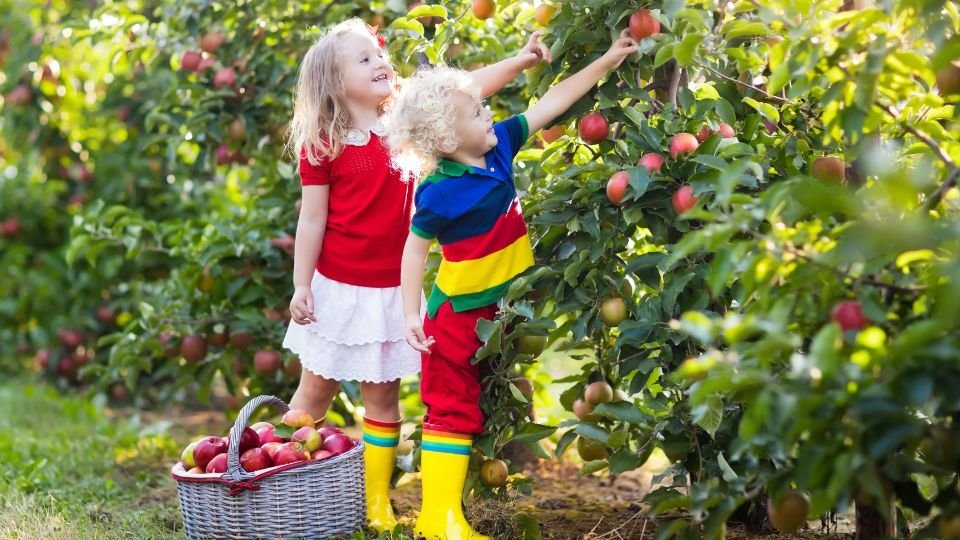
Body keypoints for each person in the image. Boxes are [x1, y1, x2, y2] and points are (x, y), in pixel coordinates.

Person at [282, 18, 551, 532]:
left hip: (391, 289)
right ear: (335, 83)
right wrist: (301, 285)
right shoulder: (324, 142)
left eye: (378, 53)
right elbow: (311, 218)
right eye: (363, 59)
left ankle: (374, 501)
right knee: (314, 390)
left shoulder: (404, 116)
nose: (380, 62)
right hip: (338, 287)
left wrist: (520, 60)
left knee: (382, 400)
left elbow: (466, 91)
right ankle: (282, 479)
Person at [385, 29, 639, 539]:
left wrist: (609, 59)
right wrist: (411, 315)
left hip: (496, 312)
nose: (488, 114)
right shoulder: (438, 193)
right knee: (450, 410)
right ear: (444, 140)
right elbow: (415, 252)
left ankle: (444, 516)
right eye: (477, 112)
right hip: (456, 316)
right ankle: (439, 520)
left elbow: (556, 98)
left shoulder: (501, 148)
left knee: (469, 408)